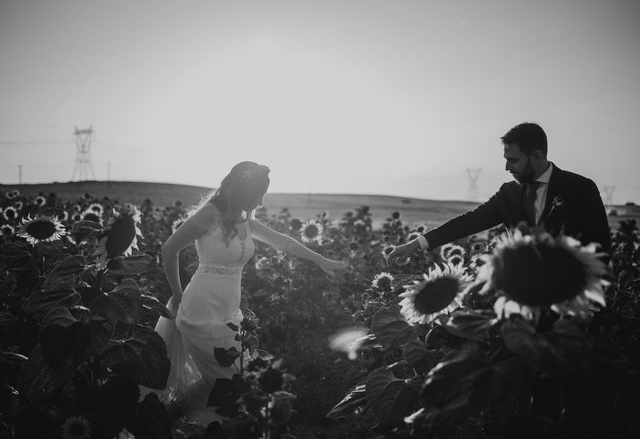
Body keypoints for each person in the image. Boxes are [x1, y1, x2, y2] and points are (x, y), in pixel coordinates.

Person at [150, 161, 348, 417]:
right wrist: (177, 295)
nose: (261, 202)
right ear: (244, 192)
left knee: (231, 378)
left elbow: (283, 242)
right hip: (200, 309)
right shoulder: (210, 214)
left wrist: (322, 260)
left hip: (229, 312)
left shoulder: (246, 221)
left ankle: (168, 420)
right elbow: (169, 248)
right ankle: (169, 421)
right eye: (259, 195)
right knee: (228, 379)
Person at [387, 122, 611, 263]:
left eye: (513, 160)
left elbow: (600, 248)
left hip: (570, 305)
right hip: (519, 301)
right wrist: (417, 244)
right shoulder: (508, 194)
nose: (507, 168)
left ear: (537, 156)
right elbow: (469, 222)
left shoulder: (580, 188)